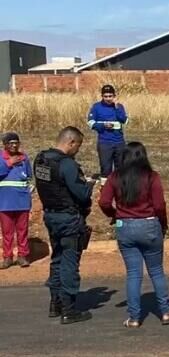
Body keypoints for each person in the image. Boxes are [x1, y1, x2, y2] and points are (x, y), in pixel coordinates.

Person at [98, 142, 169, 328]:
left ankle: (134, 317)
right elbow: (159, 205)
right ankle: (165, 312)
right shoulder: (152, 177)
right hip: (149, 224)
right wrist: (163, 225)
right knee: (156, 271)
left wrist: (114, 214)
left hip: (125, 226)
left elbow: (103, 202)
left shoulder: (115, 177)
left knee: (133, 273)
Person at [34, 127, 95, 324]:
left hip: (50, 216)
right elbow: (82, 194)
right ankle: (69, 309)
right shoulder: (67, 164)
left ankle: (55, 303)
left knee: (57, 259)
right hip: (68, 218)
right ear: (71, 142)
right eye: (78, 145)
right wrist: (90, 184)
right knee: (69, 261)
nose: (78, 150)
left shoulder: (41, 159)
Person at [0, 133, 33, 269]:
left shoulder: (24, 158)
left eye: (16, 142)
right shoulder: (1, 157)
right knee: (7, 232)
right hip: (5, 202)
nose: (14, 145)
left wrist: (31, 186)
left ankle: (22, 256)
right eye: (11, 143)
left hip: (22, 200)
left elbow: (29, 175)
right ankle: (7, 257)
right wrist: (9, 163)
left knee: (22, 230)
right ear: (5, 144)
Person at [88, 84, 128, 184]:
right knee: (106, 168)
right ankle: (105, 189)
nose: (108, 98)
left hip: (119, 142)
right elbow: (90, 123)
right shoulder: (96, 107)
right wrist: (103, 126)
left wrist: (117, 108)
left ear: (114, 96)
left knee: (121, 167)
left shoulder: (119, 106)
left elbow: (124, 120)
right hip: (104, 142)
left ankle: (120, 189)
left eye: (110, 96)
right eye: (106, 96)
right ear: (102, 96)